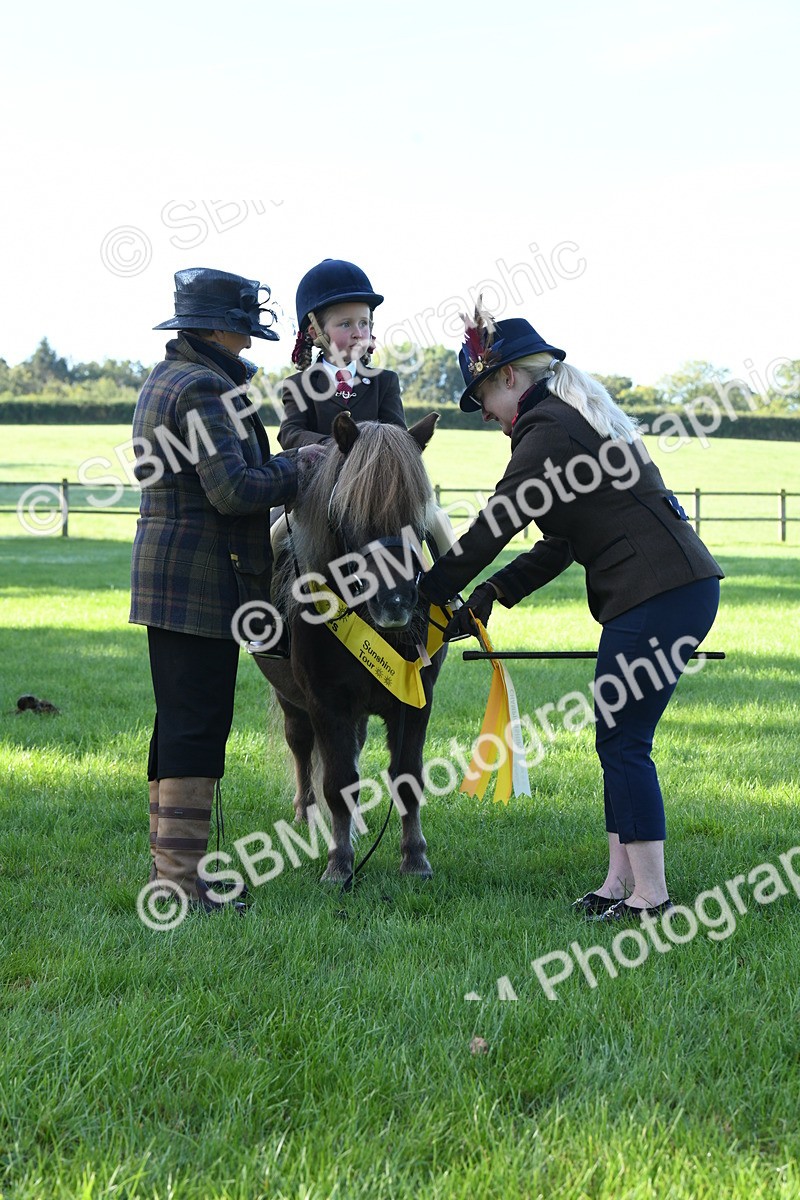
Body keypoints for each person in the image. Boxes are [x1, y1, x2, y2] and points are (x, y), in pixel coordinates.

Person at [419, 307, 723, 921]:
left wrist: (424, 588)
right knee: (617, 736)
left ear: (507, 378)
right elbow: (558, 543)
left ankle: (652, 897)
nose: (483, 414)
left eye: (480, 396)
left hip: (655, 594)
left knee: (623, 740)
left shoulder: (546, 429)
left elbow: (496, 524)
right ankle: (619, 883)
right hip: (671, 591)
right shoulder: (571, 419)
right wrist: (491, 594)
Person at [130, 267, 305, 913]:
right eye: (240, 326)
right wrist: (295, 468)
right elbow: (232, 490)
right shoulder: (204, 387)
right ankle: (179, 882)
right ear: (216, 326)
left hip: (172, 574)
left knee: (179, 721)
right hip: (199, 578)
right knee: (197, 724)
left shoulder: (168, 376)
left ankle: (175, 872)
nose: (247, 339)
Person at [277, 258, 405, 448]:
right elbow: (290, 434)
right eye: (346, 324)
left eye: (363, 323)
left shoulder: (385, 382)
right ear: (316, 332)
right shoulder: (298, 386)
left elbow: (398, 436)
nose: (358, 333)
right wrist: (335, 445)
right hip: (319, 475)